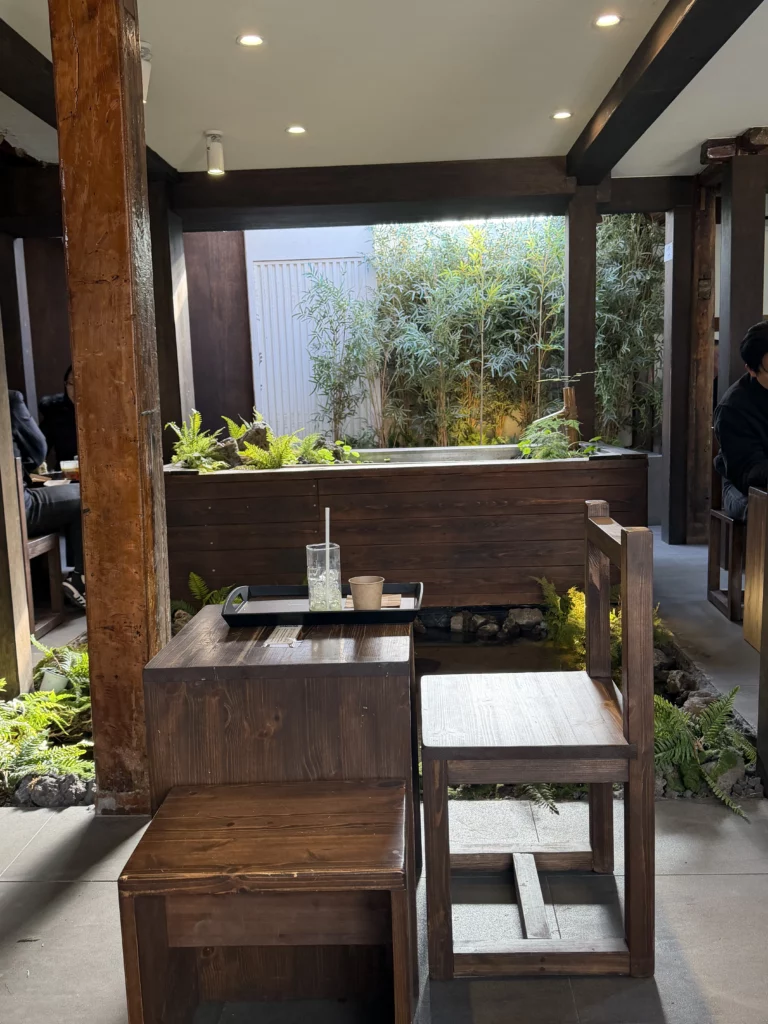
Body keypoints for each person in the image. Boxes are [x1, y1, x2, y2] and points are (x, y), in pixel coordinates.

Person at [8, 389, 86, 609]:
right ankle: (82, 582)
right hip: (16, 509)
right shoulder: (9, 399)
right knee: (85, 497)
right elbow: (37, 452)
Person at [714, 322, 768, 521]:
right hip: (742, 486)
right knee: (763, 510)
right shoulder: (733, 409)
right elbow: (750, 473)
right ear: (751, 370)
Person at [39, 365, 77, 470]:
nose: (76, 389)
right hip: (67, 476)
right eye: (71, 384)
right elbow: (40, 448)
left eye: (83, 383)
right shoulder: (54, 410)